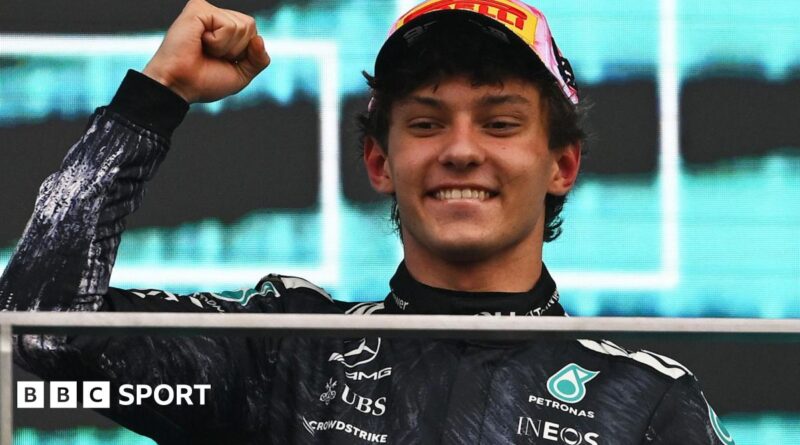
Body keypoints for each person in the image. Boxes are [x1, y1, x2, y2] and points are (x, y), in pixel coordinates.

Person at [0, 0, 734, 444]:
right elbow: (39, 326)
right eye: (426, 121)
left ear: (562, 167)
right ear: (380, 163)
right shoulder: (285, 353)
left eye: (501, 122)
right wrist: (156, 97)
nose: (460, 150)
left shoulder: (645, 402)